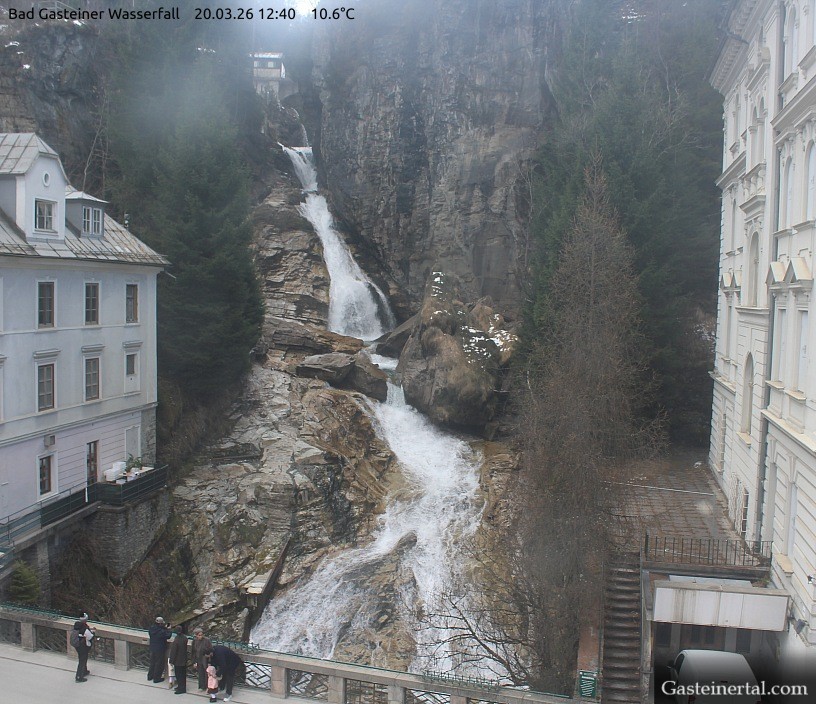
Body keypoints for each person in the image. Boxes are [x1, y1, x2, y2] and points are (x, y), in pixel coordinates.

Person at [147, 616, 172, 683]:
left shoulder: (151, 628)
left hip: (152, 647)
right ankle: (156, 678)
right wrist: (169, 629)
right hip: (160, 649)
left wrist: (164, 628)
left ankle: (150, 676)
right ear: (161, 623)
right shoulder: (161, 632)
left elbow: (158, 629)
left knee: (152, 662)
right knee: (159, 664)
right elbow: (168, 636)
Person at [71, 613, 94, 683]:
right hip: (83, 646)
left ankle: (84, 671)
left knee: (83, 658)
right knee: (82, 660)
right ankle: (79, 677)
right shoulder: (84, 628)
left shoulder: (77, 626)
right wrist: (93, 633)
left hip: (77, 645)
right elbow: (90, 636)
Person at [167, 625, 189, 694]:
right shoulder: (185, 638)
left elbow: (174, 651)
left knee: (179, 674)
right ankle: (182, 687)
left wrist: (171, 660)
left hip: (178, 660)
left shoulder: (176, 639)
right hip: (184, 659)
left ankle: (181, 688)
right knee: (183, 675)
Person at [191, 626, 213, 692]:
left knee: (207, 674)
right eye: (199, 635)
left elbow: (211, 650)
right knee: (200, 673)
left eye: (201, 635)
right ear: (196, 635)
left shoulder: (207, 640)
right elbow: (193, 651)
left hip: (205, 659)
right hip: (198, 659)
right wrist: (194, 661)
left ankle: (208, 687)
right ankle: (202, 686)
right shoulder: (194, 641)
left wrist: (209, 660)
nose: (200, 636)